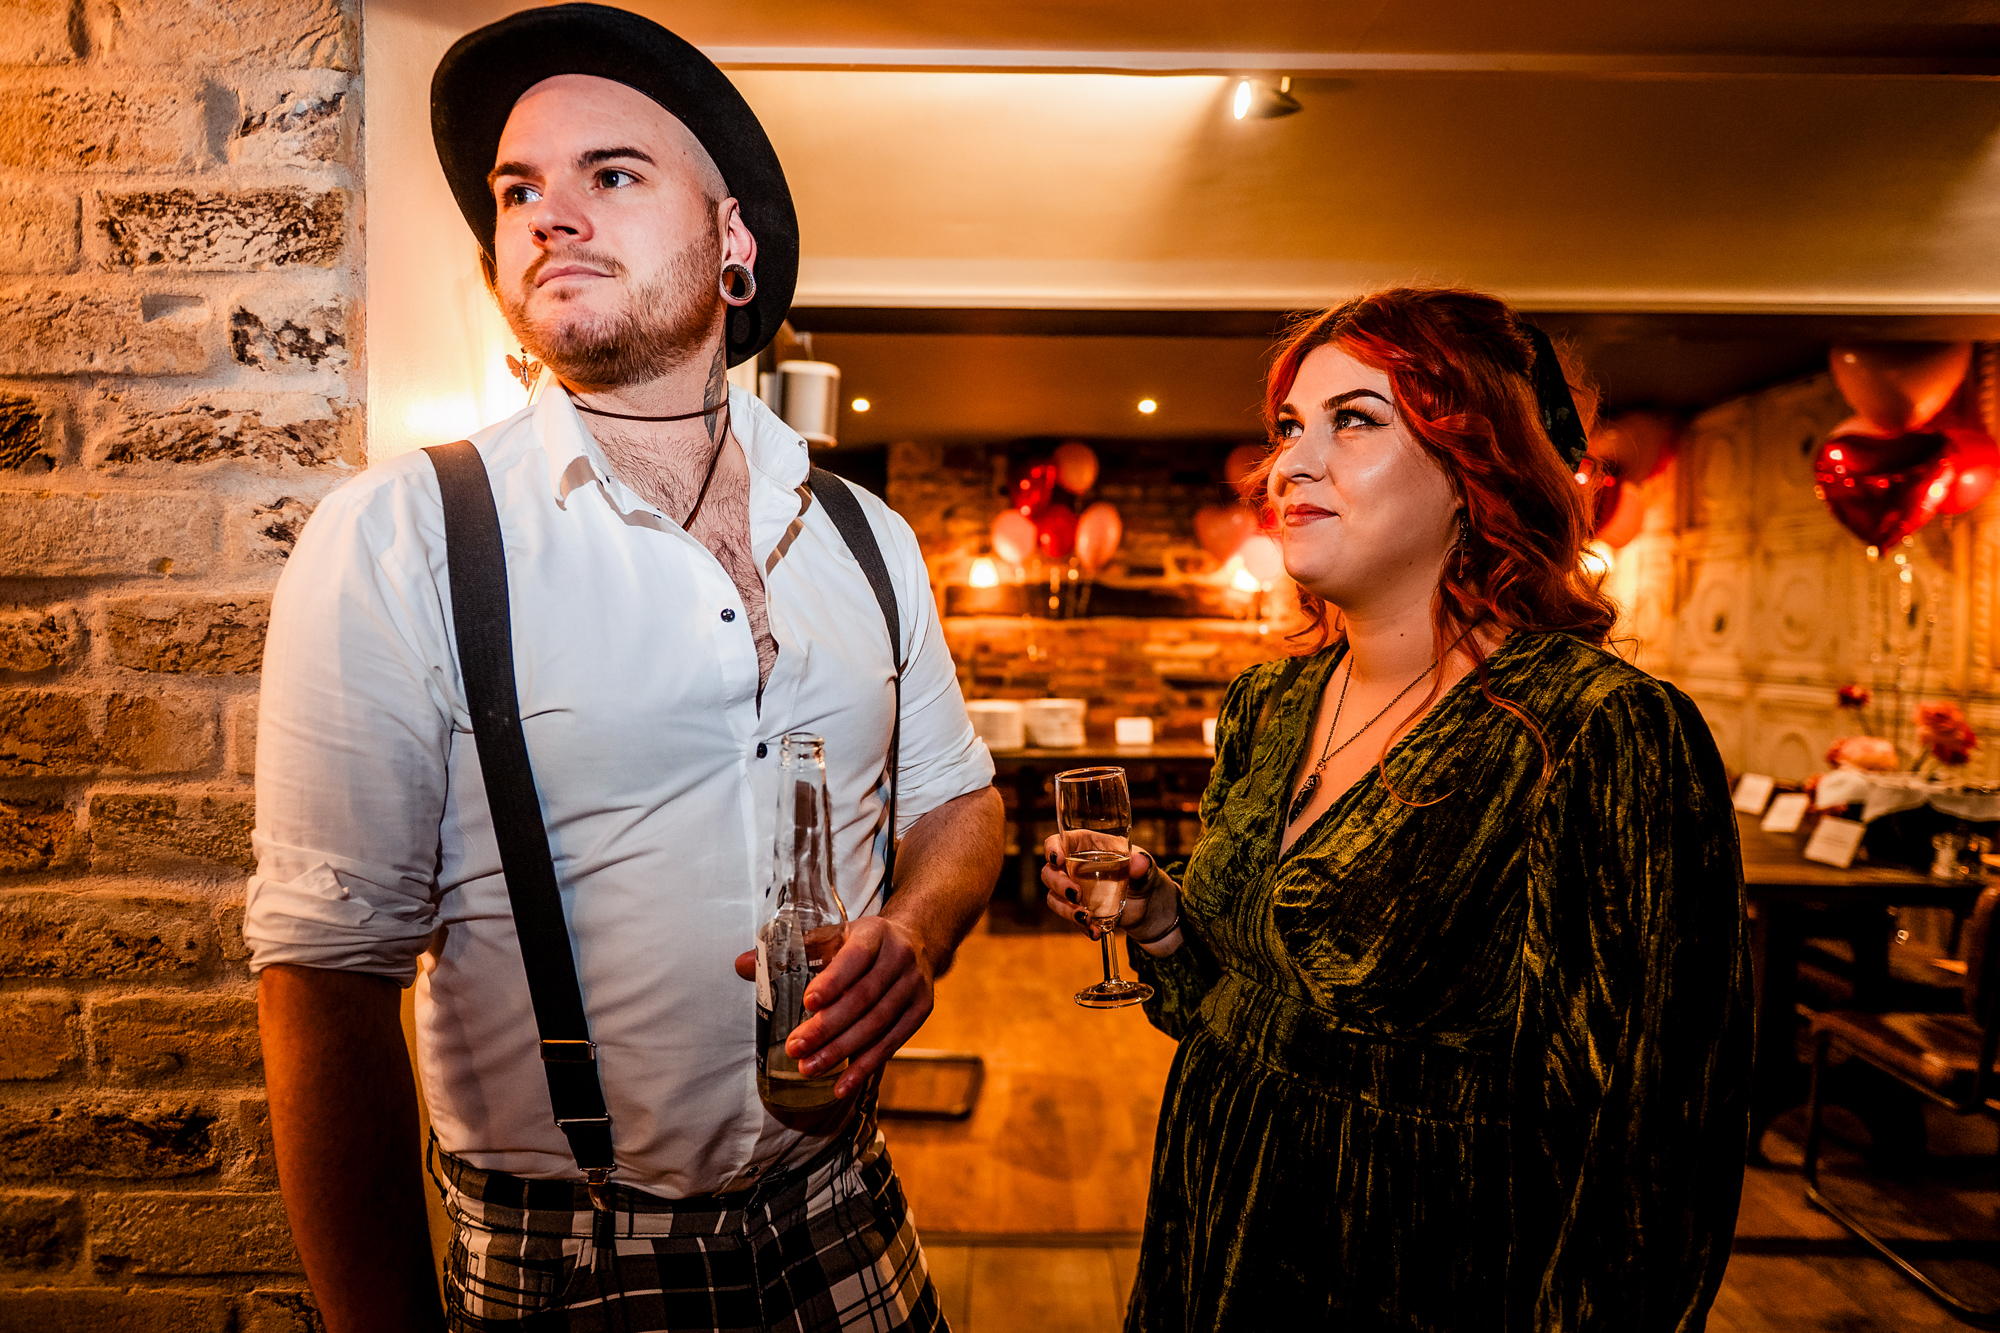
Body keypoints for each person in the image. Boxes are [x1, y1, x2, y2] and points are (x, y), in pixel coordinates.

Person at [248, 7, 1002, 1331]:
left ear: (731, 244)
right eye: (519, 189)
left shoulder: (866, 537)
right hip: (568, 1261)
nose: (550, 215)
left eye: (611, 174)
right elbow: (325, 983)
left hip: (854, 1214)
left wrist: (918, 932)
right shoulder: (401, 537)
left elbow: (960, 802)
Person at [1044, 288, 1753, 1330]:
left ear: (1477, 465)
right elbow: (1236, 1008)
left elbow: (1646, 1160)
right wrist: (1161, 920)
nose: (1286, 464)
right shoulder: (1267, 704)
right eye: (1288, 427)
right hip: (1203, 1248)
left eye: (1354, 420)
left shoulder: (1595, 732)